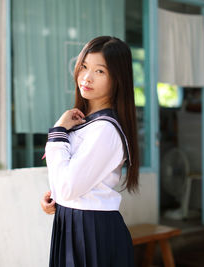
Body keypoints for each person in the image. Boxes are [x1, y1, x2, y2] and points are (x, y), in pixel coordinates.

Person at [40, 36, 140, 267]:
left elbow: (69, 187)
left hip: (91, 231)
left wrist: (57, 132)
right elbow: (70, 180)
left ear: (117, 79)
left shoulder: (105, 129)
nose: (87, 77)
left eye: (100, 71)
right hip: (74, 224)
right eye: (84, 66)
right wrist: (54, 196)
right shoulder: (85, 123)